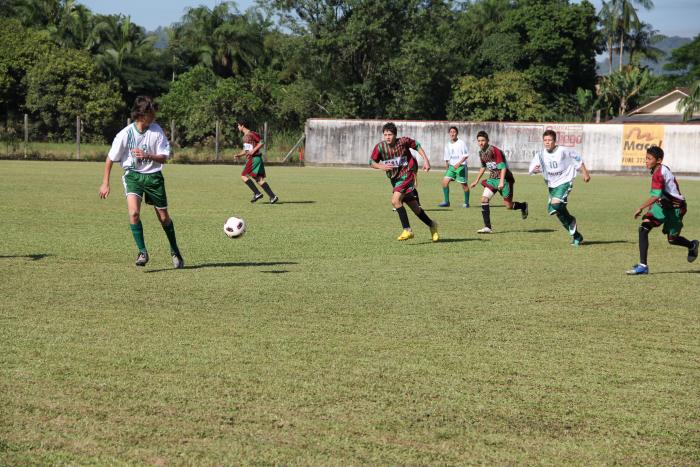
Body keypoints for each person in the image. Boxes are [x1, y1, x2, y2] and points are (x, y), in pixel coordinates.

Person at [99, 96, 184, 268]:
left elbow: (164, 158)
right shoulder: (125, 134)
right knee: (133, 213)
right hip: (133, 177)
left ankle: (175, 251)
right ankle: (142, 252)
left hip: (153, 177)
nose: (154, 116)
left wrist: (147, 155)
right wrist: (105, 182)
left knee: (163, 217)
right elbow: (110, 159)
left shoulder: (156, 130)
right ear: (141, 114)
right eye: (150, 113)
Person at [626, 146, 698, 275]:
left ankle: (692, 245)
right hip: (662, 206)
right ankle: (643, 266)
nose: (646, 161)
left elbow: (656, 195)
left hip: (676, 208)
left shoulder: (659, 173)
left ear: (659, 160)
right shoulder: (659, 169)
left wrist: (641, 207)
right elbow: (660, 195)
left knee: (672, 239)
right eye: (646, 158)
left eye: (649, 158)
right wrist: (652, 207)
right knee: (643, 228)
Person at [370, 122, 439, 242]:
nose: (387, 137)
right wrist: (381, 166)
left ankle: (407, 230)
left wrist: (426, 161)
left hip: (408, 174)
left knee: (395, 200)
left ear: (395, 135)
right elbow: (371, 162)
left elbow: (417, 146)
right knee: (415, 208)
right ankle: (432, 225)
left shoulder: (403, 141)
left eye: (390, 134)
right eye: (385, 134)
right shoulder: (380, 147)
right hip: (395, 179)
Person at [528, 129, 590, 246]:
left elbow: (577, 159)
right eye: (545, 140)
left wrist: (585, 172)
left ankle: (571, 220)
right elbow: (531, 167)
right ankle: (576, 236)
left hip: (565, 181)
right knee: (556, 212)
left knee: (556, 204)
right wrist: (534, 170)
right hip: (552, 185)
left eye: (550, 140)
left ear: (554, 141)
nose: (547, 142)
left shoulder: (563, 151)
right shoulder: (540, 155)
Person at [470, 130, 528, 233]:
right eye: (479, 141)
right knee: (484, 199)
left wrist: (501, 182)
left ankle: (523, 206)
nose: (481, 143)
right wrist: (476, 180)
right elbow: (483, 167)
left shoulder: (494, 150)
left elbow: (503, 167)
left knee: (508, 205)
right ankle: (487, 227)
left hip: (505, 179)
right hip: (492, 179)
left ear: (487, 140)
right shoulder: (481, 152)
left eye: (483, 140)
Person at [235, 120, 278, 204]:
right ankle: (273, 197)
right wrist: (239, 155)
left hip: (254, 158)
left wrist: (254, 150)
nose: (238, 127)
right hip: (256, 159)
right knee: (259, 179)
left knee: (243, 176)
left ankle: (257, 193)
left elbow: (262, 142)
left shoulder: (251, 134)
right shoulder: (244, 137)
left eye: (238, 125)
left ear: (242, 125)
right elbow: (246, 150)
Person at [439, 126, 470, 208]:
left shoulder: (461, 143)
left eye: (454, 132)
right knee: (444, 182)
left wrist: (459, 163)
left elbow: (466, 155)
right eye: (451, 132)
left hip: (461, 167)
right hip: (451, 167)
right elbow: (446, 158)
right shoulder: (448, 145)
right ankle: (446, 202)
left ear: (457, 133)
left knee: (464, 185)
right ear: (449, 133)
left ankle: (466, 203)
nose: (452, 133)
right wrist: (447, 168)